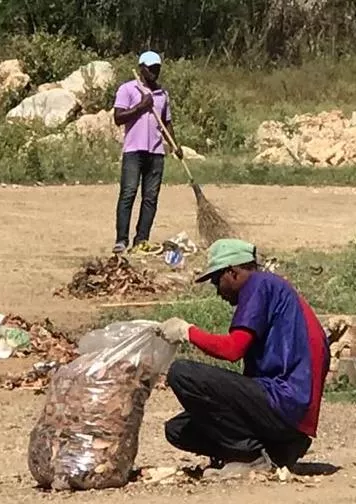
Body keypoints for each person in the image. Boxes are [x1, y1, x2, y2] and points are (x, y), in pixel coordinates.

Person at [156, 239, 330, 477]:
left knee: (182, 373)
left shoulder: (258, 285)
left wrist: (188, 332)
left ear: (233, 272)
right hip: (289, 412)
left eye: (217, 280)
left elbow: (232, 349)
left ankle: (249, 456)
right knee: (177, 429)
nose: (218, 291)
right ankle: (275, 451)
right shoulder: (273, 288)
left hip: (285, 402)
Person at [111, 50, 184, 255]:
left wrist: (174, 145)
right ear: (142, 68)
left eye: (157, 69)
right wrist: (142, 107)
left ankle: (141, 239)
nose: (154, 72)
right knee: (128, 193)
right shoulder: (128, 89)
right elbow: (118, 117)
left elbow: (167, 123)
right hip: (134, 150)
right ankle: (121, 240)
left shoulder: (163, 95)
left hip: (156, 152)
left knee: (150, 197)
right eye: (151, 69)